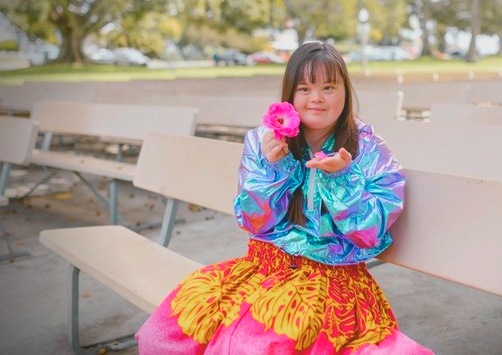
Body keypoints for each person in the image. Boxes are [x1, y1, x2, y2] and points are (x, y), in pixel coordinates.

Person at [136, 42, 434, 354]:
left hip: (331, 282)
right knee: (166, 333)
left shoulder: (369, 150)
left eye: (328, 87)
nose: (316, 98)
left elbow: (370, 232)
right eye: (304, 88)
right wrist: (272, 169)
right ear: (289, 95)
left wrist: (341, 180)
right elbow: (253, 221)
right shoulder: (264, 141)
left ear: (345, 92)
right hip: (261, 268)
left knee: (250, 346)